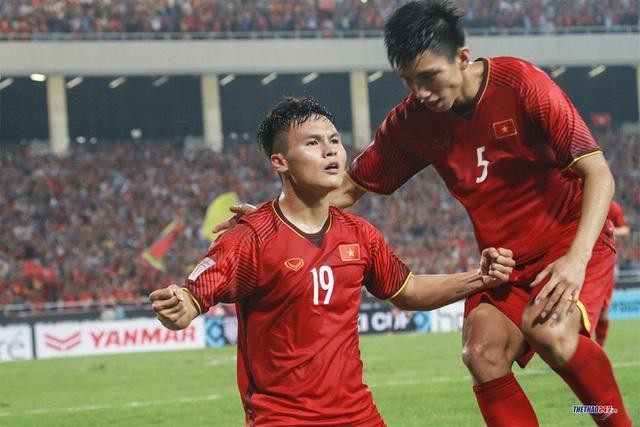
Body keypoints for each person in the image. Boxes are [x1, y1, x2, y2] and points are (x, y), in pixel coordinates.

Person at [213, 2, 631, 426]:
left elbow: (598, 172)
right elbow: (350, 188)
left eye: (429, 77)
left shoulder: (522, 85)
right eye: (409, 81)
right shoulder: (413, 122)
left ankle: (613, 419)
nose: (421, 93)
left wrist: (576, 260)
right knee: (480, 351)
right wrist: (272, 218)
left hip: (571, 241)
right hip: (505, 261)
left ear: (462, 58)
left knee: (550, 333)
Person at [150, 97, 516, 426]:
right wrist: (178, 306)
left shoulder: (360, 234)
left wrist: (480, 278)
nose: (331, 151)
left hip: (359, 415)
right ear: (280, 161)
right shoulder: (250, 238)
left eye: (335, 140)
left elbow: (409, 290)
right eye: (313, 143)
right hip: (283, 419)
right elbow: (190, 300)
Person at [595, 200, 631, 346]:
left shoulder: (612, 207)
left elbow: (625, 230)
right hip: (583, 262)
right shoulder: (576, 200)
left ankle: (600, 346)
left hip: (605, 264)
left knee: (604, 309)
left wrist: (607, 228)